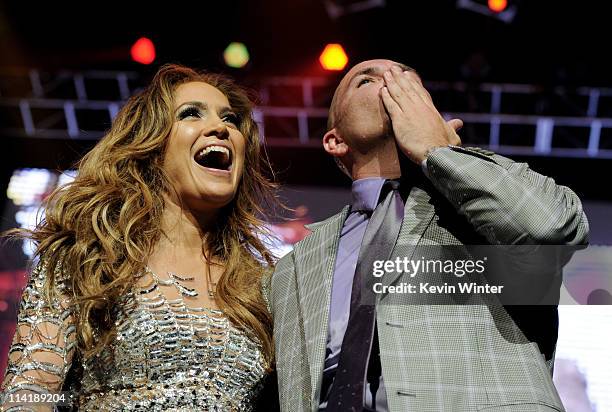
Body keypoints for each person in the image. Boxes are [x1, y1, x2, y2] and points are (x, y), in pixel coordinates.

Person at [263, 59, 589, 411]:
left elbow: (552, 228)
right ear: (335, 141)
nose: (392, 83)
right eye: (367, 80)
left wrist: (441, 153)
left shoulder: (488, 196)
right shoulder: (293, 267)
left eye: (408, 81)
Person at [1, 64, 280, 411]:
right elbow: (29, 393)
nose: (221, 129)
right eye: (191, 113)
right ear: (152, 147)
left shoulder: (264, 287)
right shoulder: (87, 257)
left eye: (231, 120)